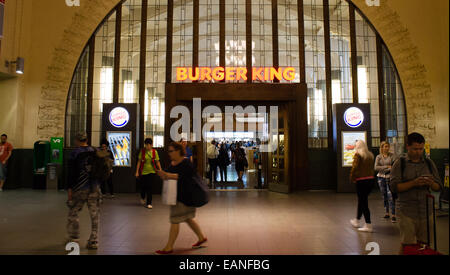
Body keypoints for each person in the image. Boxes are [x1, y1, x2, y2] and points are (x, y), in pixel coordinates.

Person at [390, 133, 442, 254]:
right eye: (415, 149)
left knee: (424, 245)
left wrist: (430, 183)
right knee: (407, 245)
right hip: (406, 211)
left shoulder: (429, 163)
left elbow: (438, 186)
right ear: (407, 147)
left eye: (421, 149)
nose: (418, 152)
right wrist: (414, 183)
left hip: (426, 210)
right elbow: (394, 187)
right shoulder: (400, 164)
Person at [155, 142, 207, 255]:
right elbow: (169, 174)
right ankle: (201, 237)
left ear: (178, 151)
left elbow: (184, 176)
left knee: (175, 220)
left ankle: (169, 247)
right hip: (179, 196)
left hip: (185, 197)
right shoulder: (173, 163)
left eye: (171, 151)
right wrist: (163, 174)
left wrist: (167, 175)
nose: (169, 153)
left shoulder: (186, 163)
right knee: (188, 218)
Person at [66, 133, 101, 249]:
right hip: (94, 188)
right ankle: (94, 241)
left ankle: (74, 238)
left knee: (73, 212)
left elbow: (70, 174)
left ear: (77, 140)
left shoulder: (75, 153)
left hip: (80, 188)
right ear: (86, 140)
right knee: (94, 215)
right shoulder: (95, 151)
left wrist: (70, 189)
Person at [349, 140, 375, 233]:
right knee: (362, 200)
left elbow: (355, 167)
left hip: (361, 181)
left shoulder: (358, 155)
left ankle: (368, 224)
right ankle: (357, 220)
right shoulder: (370, 155)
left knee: (364, 202)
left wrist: (352, 177)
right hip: (370, 180)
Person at [135, 138, 162, 209]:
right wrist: (137, 172)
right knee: (143, 186)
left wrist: (160, 170)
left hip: (152, 172)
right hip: (143, 172)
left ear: (151, 145)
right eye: (146, 145)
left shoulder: (154, 152)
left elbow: (157, 162)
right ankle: (142, 197)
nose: (147, 146)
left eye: (148, 145)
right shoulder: (142, 152)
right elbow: (139, 162)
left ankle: (149, 203)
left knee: (150, 187)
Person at [375, 141, 397, 222]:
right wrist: (387, 167)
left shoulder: (392, 156)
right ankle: (387, 212)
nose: (387, 148)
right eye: (385, 146)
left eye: (388, 146)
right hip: (381, 178)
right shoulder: (378, 157)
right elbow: (376, 167)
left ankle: (393, 214)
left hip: (390, 178)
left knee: (390, 195)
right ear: (382, 147)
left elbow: (394, 167)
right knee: (384, 195)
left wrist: (386, 168)